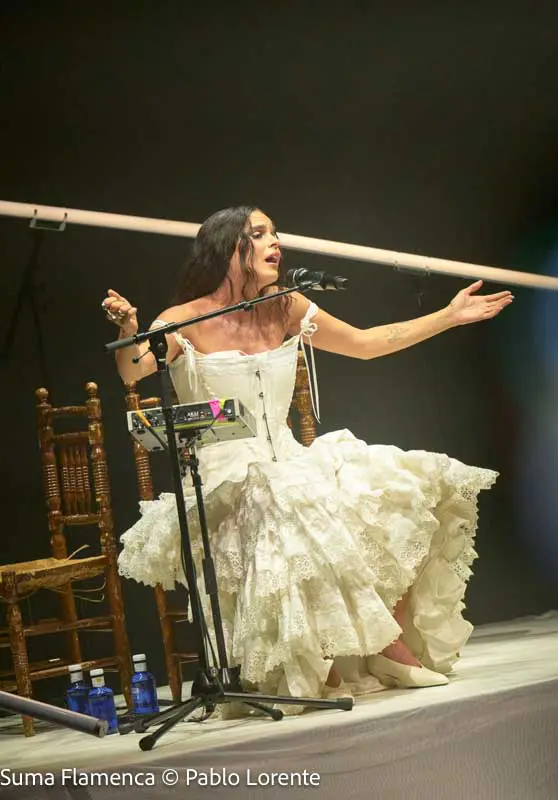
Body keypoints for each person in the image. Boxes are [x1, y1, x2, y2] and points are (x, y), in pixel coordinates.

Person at [102, 205, 513, 710]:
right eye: (259, 234)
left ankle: (380, 644)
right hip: (226, 473)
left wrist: (448, 317)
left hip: (289, 459)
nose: (275, 241)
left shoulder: (286, 306)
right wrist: (131, 325)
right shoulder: (186, 319)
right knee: (287, 499)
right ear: (229, 249)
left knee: (400, 482)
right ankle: (358, 651)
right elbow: (133, 371)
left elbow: (365, 344)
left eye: (275, 232)